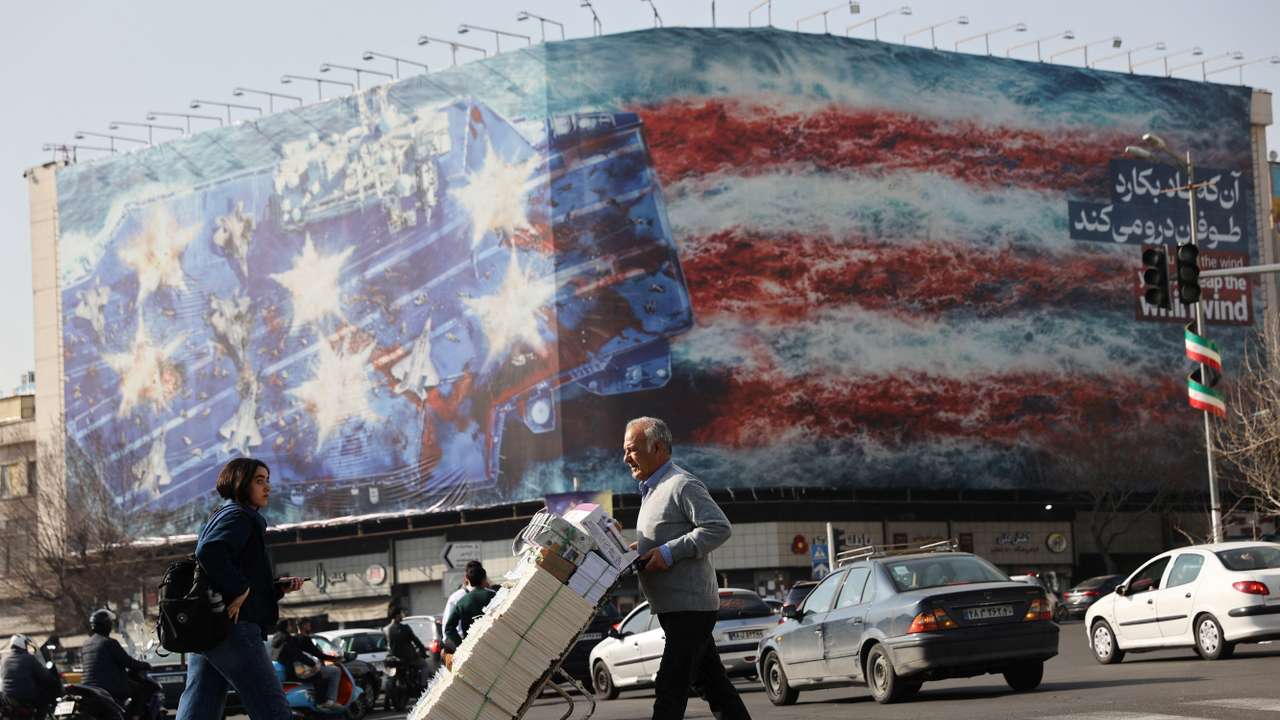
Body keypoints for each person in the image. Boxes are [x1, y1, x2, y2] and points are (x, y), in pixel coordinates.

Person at [625, 416, 750, 720]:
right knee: (713, 686)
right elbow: (665, 537)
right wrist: (634, 550)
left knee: (671, 686)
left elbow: (718, 528)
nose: (626, 458)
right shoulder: (652, 489)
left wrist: (668, 552)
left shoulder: (681, 483)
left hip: (691, 608)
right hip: (675, 608)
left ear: (656, 447)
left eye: (632, 449)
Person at [174, 458, 308, 720]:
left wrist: (274, 589)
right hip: (236, 629)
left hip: (210, 627)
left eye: (267, 480)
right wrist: (241, 589)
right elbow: (209, 552)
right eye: (259, 481)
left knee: (199, 710)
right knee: (273, 709)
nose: (267, 487)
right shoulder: (239, 516)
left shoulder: (221, 514)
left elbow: (228, 569)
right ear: (240, 483)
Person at [81, 608, 156, 718]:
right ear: (106, 625)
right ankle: (135, 717)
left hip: (88, 687)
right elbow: (128, 662)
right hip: (108, 686)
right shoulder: (109, 643)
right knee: (139, 690)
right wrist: (146, 665)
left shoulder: (86, 643)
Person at [269, 621, 340, 710]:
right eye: (290, 625)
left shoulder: (277, 638)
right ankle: (322, 702)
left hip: (287, 670)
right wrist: (312, 663)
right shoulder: (287, 638)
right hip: (295, 670)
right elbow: (297, 655)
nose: (291, 627)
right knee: (318, 675)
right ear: (286, 627)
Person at [1, 634, 61, 717]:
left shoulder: (4, 660)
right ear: (22, 645)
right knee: (44, 699)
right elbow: (44, 676)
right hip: (25, 697)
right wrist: (53, 679)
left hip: (8, 698)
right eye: (26, 644)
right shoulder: (29, 658)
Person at [442, 564, 496, 651]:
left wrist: (461, 645)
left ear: (467, 579)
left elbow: (448, 628)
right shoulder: (494, 595)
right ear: (484, 579)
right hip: (495, 642)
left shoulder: (462, 602)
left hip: (471, 648)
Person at [439, 560, 482, 651]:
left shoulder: (456, 597)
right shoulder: (490, 594)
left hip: (464, 644)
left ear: (466, 577)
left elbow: (447, 629)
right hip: (471, 642)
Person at [382, 607, 428, 689]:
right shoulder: (405, 628)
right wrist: (423, 650)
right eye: (401, 614)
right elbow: (416, 641)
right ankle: (423, 686)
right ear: (397, 615)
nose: (402, 615)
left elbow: (385, 645)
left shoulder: (385, 629)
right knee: (424, 665)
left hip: (392, 658)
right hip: (408, 658)